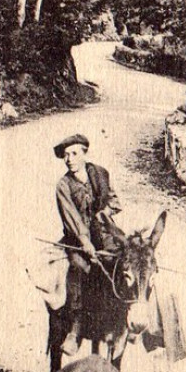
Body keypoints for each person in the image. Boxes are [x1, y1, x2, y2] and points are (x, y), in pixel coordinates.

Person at [54, 134, 122, 355]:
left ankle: (124, 320)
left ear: (85, 153)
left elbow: (114, 200)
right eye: (65, 155)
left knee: (125, 264)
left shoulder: (100, 173)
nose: (69, 159)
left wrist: (105, 213)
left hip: (104, 235)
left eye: (74, 154)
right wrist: (85, 244)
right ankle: (75, 329)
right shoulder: (63, 185)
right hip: (78, 242)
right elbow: (71, 218)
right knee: (78, 269)